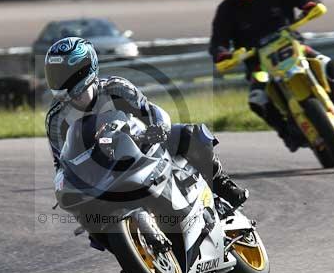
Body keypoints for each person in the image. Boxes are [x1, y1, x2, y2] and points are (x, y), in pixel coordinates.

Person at [44, 36, 248, 218]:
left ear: (86, 69)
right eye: (55, 74)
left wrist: (158, 128)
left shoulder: (116, 88)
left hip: (141, 145)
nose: (60, 80)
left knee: (188, 133)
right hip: (99, 172)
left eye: (65, 73)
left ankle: (222, 185)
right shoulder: (56, 118)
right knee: (87, 219)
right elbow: (61, 163)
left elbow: (151, 111)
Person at [209, 0, 334, 152]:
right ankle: (286, 132)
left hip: (293, 47)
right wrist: (222, 54)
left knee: (325, 62)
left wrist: (311, 2)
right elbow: (217, 40)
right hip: (258, 63)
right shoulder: (226, 9)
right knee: (256, 99)